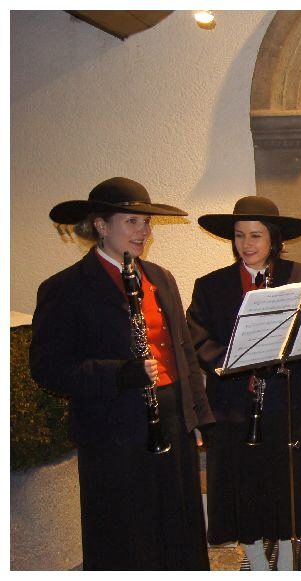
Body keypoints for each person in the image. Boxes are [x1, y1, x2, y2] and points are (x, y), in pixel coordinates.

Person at [30, 177, 214, 570]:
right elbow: (49, 368)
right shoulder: (65, 288)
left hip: (171, 420)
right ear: (100, 225)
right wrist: (119, 373)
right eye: (132, 222)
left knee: (177, 525)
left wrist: (196, 415)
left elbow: (183, 351)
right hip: (113, 431)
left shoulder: (160, 277)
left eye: (146, 222)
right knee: (128, 534)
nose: (143, 231)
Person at [186, 196, 301, 571]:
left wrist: (284, 354)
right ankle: (256, 557)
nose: (247, 244)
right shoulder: (210, 285)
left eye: (256, 235)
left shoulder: (300, 275)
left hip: (285, 400)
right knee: (243, 486)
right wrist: (234, 363)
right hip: (233, 405)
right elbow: (198, 340)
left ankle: (288, 556)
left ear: (274, 239)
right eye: (240, 235)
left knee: (287, 483)